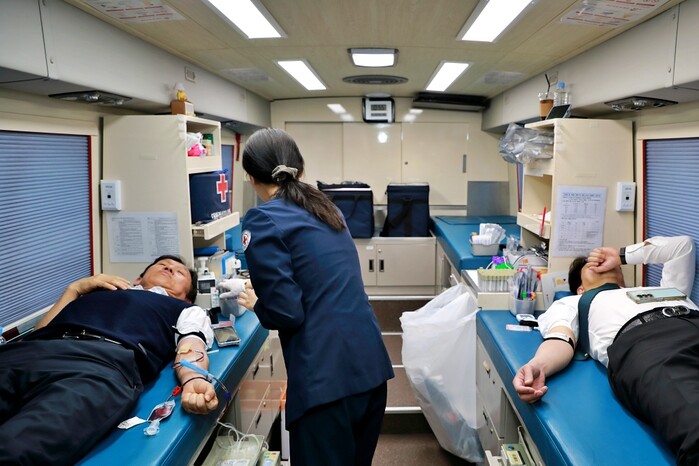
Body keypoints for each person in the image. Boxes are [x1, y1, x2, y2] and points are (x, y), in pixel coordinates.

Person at [232, 127, 394, 466]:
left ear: (251, 177)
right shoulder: (325, 207)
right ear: (300, 169)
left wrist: (258, 304)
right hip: (370, 367)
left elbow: (286, 313)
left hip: (325, 383)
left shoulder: (262, 219)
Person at [0, 255, 219, 466]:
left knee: (16, 448)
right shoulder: (99, 292)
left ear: (187, 297)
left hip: (99, 365)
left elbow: (191, 345)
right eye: (163, 264)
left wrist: (193, 379)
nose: (170, 268)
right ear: (138, 279)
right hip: (27, 353)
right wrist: (74, 289)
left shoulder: (187, 309)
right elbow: (39, 333)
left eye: (180, 272)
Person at [512, 235, 699, 465]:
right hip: (648, 346)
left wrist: (620, 255)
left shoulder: (659, 290)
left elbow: (682, 246)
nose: (597, 262)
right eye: (588, 266)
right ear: (580, 289)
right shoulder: (573, 303)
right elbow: (560, 339)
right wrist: (537, 365)